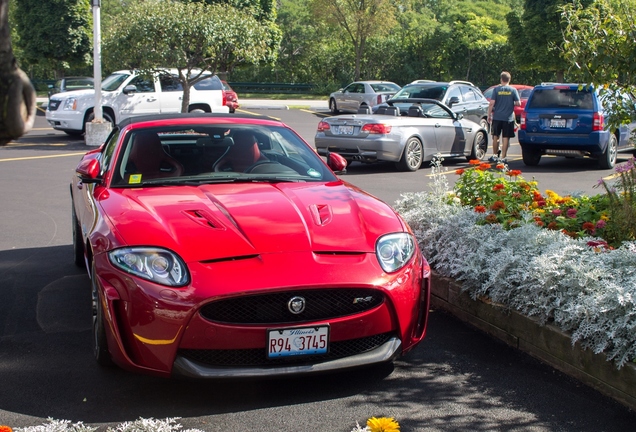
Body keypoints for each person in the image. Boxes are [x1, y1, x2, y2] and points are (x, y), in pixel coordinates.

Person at [487, 71, 521, 163]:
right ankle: (504, 157)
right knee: (506, 137)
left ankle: (494, 156)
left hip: (497, 117)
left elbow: (491, 103)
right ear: (509, 80)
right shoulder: (513, 90)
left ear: (501, 79)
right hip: (508, 118)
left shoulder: (496, 90)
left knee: (495, 136)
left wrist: (489, 115)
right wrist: (511, 102)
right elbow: (518, 103)